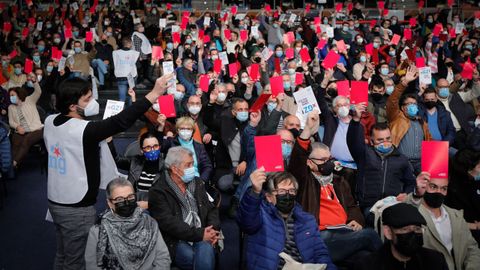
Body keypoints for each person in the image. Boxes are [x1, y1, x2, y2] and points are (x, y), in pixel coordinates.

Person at [45, 73, 172, 269]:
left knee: (62, 253)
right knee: (76, 260)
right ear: (72, 106)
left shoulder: (50, 121)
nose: (93, 102)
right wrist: (154, 93)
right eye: (87, 99)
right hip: (76, 206)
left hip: (55, 200)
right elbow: (121, 121)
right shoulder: (84, 130)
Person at [289, 112, 382, 264]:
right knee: (370, 236)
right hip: (321, 234)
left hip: (345, 232)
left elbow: (352, 206)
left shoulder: (339, 181)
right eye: (323, 160)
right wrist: (306, 131)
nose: (328, 163)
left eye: (330, 159)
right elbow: (297, 162)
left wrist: (356, 219)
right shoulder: (305, 180)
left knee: (364, 258)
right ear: (310, 162)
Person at [237, 169, 336, 270]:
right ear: (268, 197)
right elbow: (247, 223)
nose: (287, 195)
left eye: (291, 191)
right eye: (281, 191)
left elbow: (320, 253)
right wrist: (255, 192)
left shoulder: (307, 220)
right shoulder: (260, 215)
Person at [149, 146, 220, 270]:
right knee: (197, 257)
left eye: (193, 164)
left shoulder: (198, 183)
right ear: (175, 169)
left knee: (205, 250)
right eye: (188, 165)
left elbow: (211, 209)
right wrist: (200, 234)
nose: (193, 168)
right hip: (176, 239)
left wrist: (212, 230)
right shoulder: (158, 191)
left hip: (203, 231)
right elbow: (169, 224)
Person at [84, 178, 171, 269]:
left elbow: (163, 257)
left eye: (130, 197)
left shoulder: (150, 223)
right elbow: (92, 265)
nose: (126, 202)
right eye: (119, 199)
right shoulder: (98, 230)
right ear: (110, 203)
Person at [404, 172, 480, 270]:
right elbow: (407, 211)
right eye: (433, 187)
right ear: (423, 186)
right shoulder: (414, 213)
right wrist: (416, 194)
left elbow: (471, 248)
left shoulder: (455, 216)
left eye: (444, 188)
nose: (439, 192)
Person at [355, 203, 449, 270]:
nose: (413, 234)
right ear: (388, 232)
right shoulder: (368, 265)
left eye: (417, 229)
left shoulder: (435, 261)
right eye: (405, 229)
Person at [353, 123, 416, 218]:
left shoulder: (401, 159)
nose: (385, 143)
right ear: (371, 141)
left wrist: (406, 194)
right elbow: (352, 141)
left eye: (388, 138)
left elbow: (411, 183)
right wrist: (355, 121)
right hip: (370, 206)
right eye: (380, 140)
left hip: (393, 205)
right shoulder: (364, 155)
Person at [386, 65, 432, 174]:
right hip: (403, 162)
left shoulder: (422, 122)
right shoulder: (397, 117)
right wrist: (404, 82)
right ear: (402, 107)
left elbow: (429, 141)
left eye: (414, 104)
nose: (413, 106)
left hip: (420, 163)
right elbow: (392, 101)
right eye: (409, 104)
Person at [111, 132, 165, 209]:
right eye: (148, 147)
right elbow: (117, 160)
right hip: (134, 207)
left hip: (158, 209)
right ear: (142, 150)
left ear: (159, 147)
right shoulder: (135, 162)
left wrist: (149, 205)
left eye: (155, 146)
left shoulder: (167, 165)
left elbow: (169, 197)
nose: (152, 150)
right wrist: (109, 142)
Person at [8, 75, 44, 168]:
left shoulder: (29, 100)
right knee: (15, 142)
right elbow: (11, 121)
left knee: (26, 140)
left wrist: (35, 82)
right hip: (21, 131)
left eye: (12, 95)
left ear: (18, 95)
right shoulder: (11, 107)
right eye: (10, 96)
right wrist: (17, 127)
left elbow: (38, 92)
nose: (11, 97)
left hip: (37, 130)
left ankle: (15, 163)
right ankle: (12, 167)